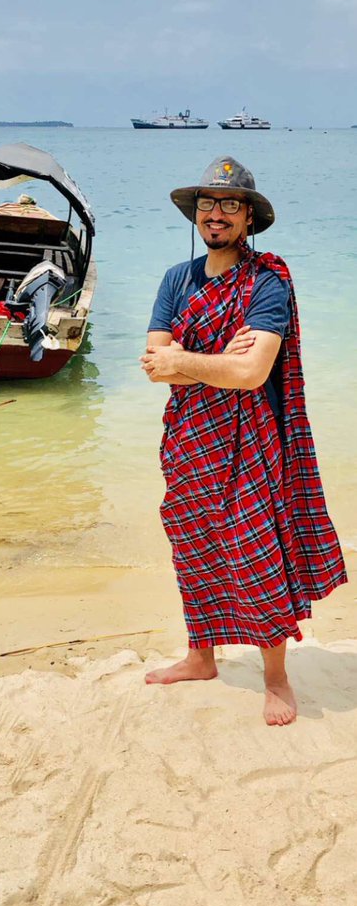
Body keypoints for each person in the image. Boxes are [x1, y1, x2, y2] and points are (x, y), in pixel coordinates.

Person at [140, 157, 347, 725]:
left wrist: (184, 360)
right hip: (189, 440)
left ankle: (276, 677)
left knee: (257, 554)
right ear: (195, 213)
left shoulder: (266, 283)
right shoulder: (176, 280)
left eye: (230, 204)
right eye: (208, 203)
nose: (217, 213)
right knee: (194, 546)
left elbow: (252, 373)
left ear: (248, 217)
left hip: (252, 443)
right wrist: (208, 362)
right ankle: (200, 657)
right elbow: (155, 364)